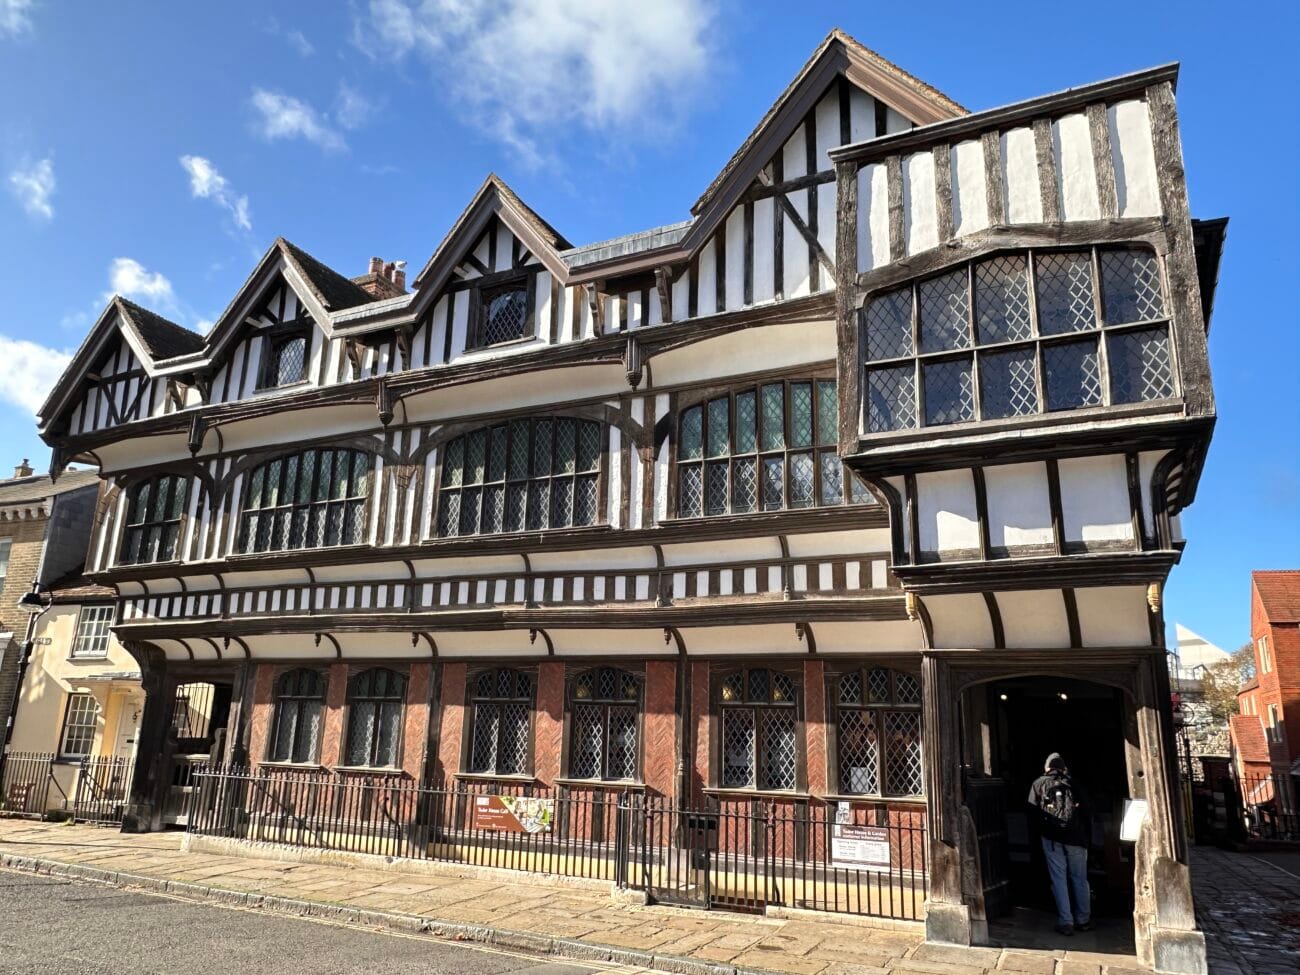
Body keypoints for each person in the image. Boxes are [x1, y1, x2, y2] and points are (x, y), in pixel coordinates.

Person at [1028, 752, 1092, 935]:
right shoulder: (1073, 783)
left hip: (1051, 839)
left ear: (1046, 768)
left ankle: (1066, 921)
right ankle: (1084, 919)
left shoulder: (1038, 784)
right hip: (1076, 838)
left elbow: (1032, 814)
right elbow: (1088, 810)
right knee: (1080, 879)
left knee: (1059, 879)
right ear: (1064, 768)